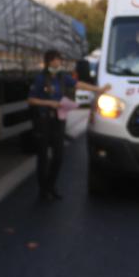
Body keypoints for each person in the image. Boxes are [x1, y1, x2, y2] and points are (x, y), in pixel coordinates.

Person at [28, 49, 110, 201]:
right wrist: (49, 103)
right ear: (48, 63)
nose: (58, 63)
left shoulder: (62, 78)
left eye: (59, 60)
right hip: (44, 120)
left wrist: (98, 90)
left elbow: (79, 84)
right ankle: (43, 190)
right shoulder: (40, 79)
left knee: (58, 156)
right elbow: (31, 100)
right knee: (43, 157)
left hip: (59, 120)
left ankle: (51, 185)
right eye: (55, 61)